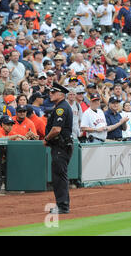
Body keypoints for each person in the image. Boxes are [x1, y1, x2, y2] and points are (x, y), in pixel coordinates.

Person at [43, 82, 74, 215]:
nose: (50, 94)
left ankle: (62, 206)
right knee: (60, 176)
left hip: (60, 146)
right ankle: (62, 204)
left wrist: (46, 138)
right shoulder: (61, 106)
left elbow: (56, 129)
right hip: (61, 146)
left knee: (59, 177)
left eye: (53, 92)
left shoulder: (61, 108)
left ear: (61, 94)